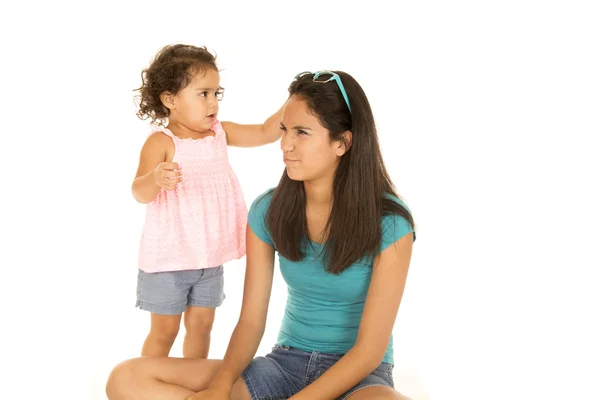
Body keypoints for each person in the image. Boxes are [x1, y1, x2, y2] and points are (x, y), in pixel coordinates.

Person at [107, 69, 416, 399]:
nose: (285, 144)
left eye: (302, 132)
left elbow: (368, 352)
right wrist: (220, 387)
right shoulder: (268, 210)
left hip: (359, 377)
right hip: (284, 367)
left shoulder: (391, 222)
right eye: (284, 130)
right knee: (126, 378)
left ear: (343, 142)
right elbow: (252, 322)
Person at [131, 44, 281, 359]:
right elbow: (139, 192)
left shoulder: (220, 133)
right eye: (203, 94)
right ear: (170, 99)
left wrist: (296, 98)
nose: (213, 102)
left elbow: (267, 132)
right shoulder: (161, 143)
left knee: (202, 326)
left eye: (217, 94)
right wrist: (155, 177)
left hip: (209, 257)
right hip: (168, 261)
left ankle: (192, 380)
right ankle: (144, 381)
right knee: (165, 331)